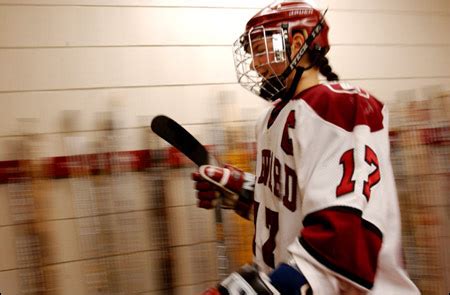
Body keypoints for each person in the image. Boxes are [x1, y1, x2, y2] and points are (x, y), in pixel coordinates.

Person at [193, 1, 420, 294]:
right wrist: (243, 192)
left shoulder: (336, 106)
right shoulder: (270, 119)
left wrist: (269, 289)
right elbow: (298, 211)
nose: (253, 64)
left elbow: (345, 230)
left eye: (261, 50)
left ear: (297, 43)